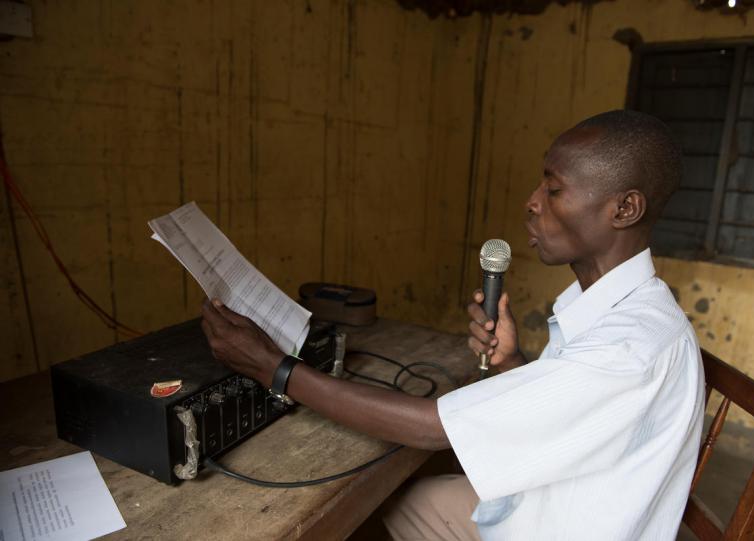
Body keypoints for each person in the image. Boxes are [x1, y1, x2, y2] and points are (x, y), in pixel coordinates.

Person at [200, 109, 705, 540]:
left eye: (553, 189)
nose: (532, 201)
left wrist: (273, 368)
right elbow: (574, 418)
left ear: (626, 208)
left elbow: (431, 428)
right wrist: (511, 364)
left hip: (551, 526)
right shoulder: (623, 310)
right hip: (545, 507)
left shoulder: (627, 350)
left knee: (362, 510)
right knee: (405, 499)